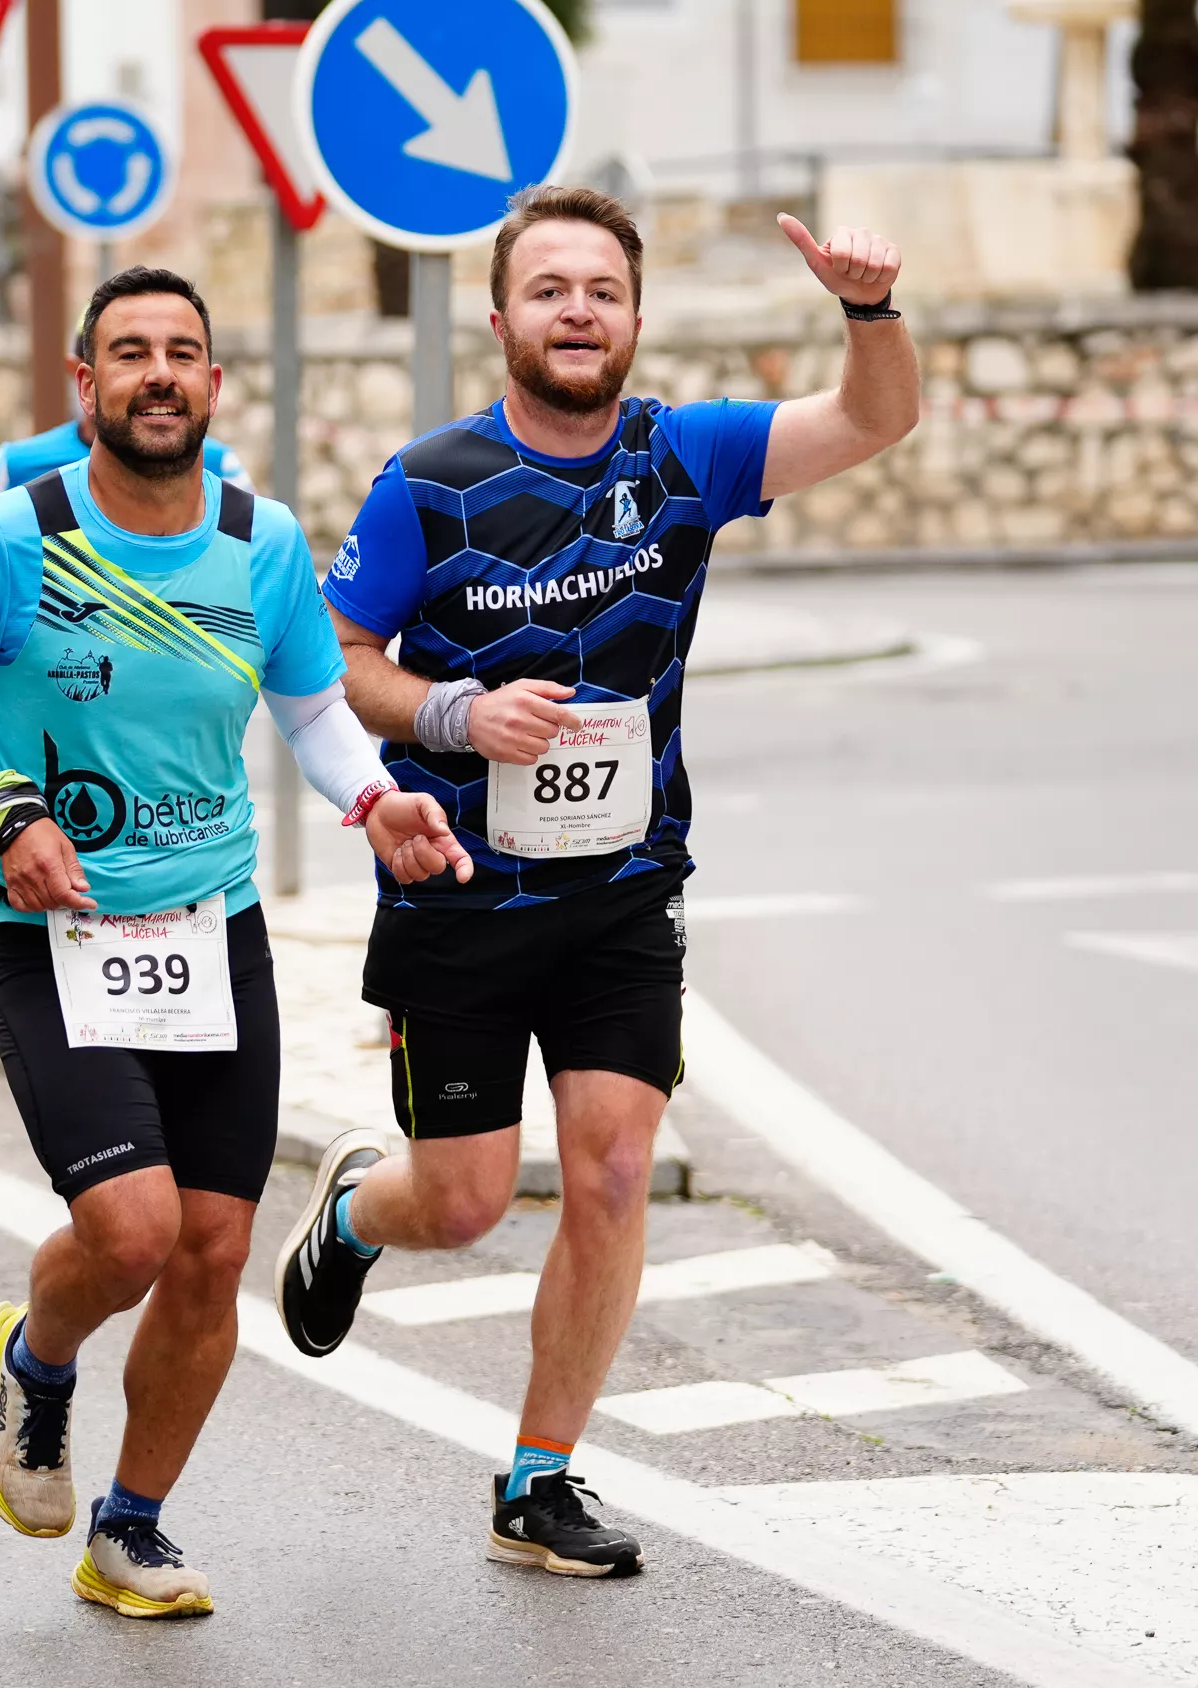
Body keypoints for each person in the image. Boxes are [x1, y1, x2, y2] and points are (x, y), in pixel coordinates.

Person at [271, 187, 917, 1578]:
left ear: (634, 319)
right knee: (462, 1203)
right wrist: (455, 716)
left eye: (604, 291)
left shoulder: (686, 457)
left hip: (627, 887)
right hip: (458, 892)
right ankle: (352, 1210)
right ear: (501, 318)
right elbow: (335, 668)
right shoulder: (427, 484)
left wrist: (869, 313)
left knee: (615, 1168)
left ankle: (540, 1479)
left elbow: (873, 422)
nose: (579, 311)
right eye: (551, 288)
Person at [0, 266, 466, 1619]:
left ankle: (130, 1529)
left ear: (216, 384)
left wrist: (376, 801)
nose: (158, 374)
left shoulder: (259, 542)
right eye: (128, 353)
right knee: (131, 1229)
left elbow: (314, 708)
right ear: (83, 385)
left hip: (214, 928)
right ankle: (35, 1357)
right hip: (57, 922)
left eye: (182, 353)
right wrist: (1, 806)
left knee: (210, 1248)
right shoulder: (15, 540)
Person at [0, 344, 254, 550]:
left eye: (181, 355)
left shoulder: (220, 465)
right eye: (129, 358)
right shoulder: (15, 465)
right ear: (83, 378)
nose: (157, 375)